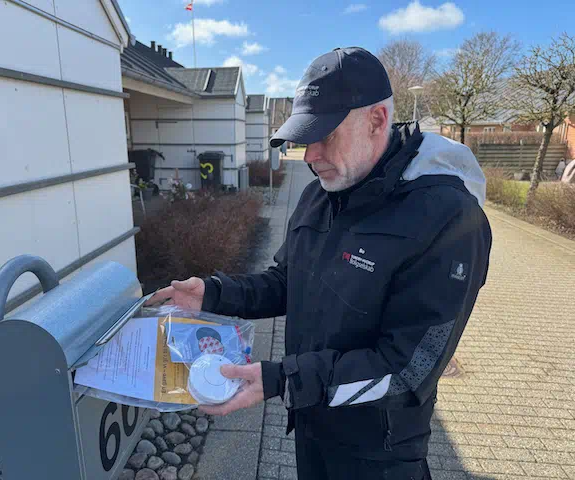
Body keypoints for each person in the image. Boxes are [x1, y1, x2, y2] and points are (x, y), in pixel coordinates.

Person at [148, 47, 493, 480]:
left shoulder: (447, 218)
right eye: (305, 138)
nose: (310, 155)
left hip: (378, 454)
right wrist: (213, 293)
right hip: (312, 425)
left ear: (377, 121)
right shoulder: (320, 193)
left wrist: (283, 380)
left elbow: (408, 368)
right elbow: (287, 281)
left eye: (325, 135)